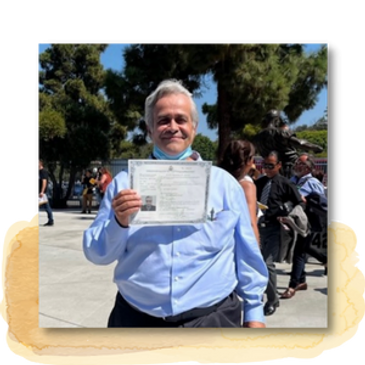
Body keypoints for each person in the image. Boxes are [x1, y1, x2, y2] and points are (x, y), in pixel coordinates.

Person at [83, 79, 268, 328]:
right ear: (150, 129)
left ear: (194, 127)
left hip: (212, 319)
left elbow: (246, 251)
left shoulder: (224, 185)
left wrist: (254, 311)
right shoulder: (124, 185)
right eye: (163, 120)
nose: (173, 127)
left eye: (181, 119)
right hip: (137, 319)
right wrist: (119, 222)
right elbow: (97, 254)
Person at [255, 151, 304, 316]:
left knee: (267, 264)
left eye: (270, 165)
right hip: (257, 226)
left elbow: (300, 203)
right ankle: (257, 296)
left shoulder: (285, 184)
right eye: (265, 165)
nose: (267, 169)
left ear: (279, 165)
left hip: (274, 228)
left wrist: (287, 210)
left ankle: (272, 300)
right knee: (254, 263)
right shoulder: (259, 183)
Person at [280, 153, 328, 299]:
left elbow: (322, 203)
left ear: (308, 167)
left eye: (300, 163)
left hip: (307, 222)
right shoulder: (293, 180)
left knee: (299, 252)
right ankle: (302, 280)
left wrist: (307, 200)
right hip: (294, 220)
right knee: (301, 249)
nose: (296, 165)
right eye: (296, 163)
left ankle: (293, 284)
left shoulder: (313, 182)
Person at [252, 109, 323, 178]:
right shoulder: (280, 132)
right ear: (276, 120)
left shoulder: (256, 138)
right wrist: (316, 147)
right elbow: (300, 143)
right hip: (289, 167)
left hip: (272, 169)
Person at [218, 140, 260, 245]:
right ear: (248, 161)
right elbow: (251, 223)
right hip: (237, 242)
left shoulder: (218, 179)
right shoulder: (246, 186)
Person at [36, 159, 54, 226]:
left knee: (47, 207)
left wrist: (42, 192)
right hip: (37, 193)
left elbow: (44, 182)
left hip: (43, 193)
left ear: (40, 164)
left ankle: (51, 220)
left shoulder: (44, 172)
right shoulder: (36, 172)